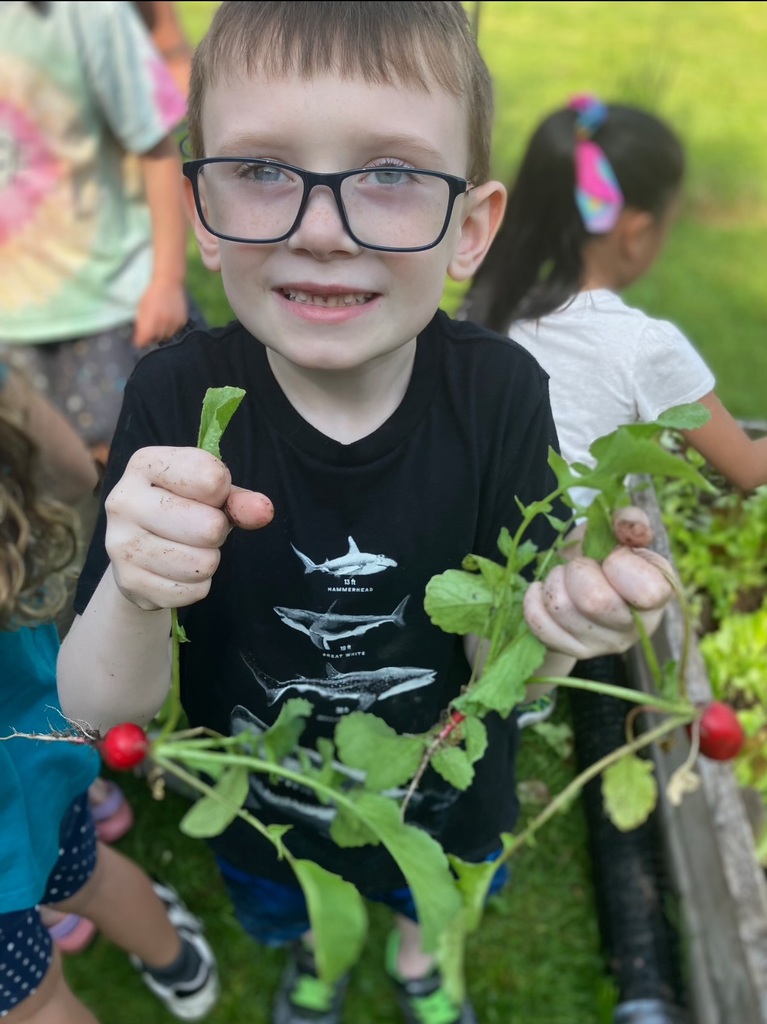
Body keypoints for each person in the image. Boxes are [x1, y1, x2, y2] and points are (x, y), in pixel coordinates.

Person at [57, 6, 676, 1024]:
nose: (319, 228)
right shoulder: (174, 403)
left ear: (471, 227)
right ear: (201, 212)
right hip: (263, 800)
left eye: (389, 174)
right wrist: (132, 583)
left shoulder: (500, 397)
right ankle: (317, 955)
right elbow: (97, 706)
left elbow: (500, 677)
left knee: (426, 898)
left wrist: (553, 628)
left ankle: (420, 961)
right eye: (260, 169)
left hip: (439, 795)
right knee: (301, 898)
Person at [462, 94, 767, 725]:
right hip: (542, 616)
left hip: (459, 566)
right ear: (635, 233)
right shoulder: (641, 347)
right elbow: (748, 467)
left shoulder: (481, 308)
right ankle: (517, 712)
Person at [0, 362, 220, 1022]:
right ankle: (180, 966)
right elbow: (69, 471)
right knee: (86, 873)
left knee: (34, 1008)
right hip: (43, 759)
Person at [0, 0, 191, 468]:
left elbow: (156, 147)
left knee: (118, 481)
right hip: (8, 324)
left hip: (103, 311)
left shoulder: (94, 15)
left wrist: (167, 280)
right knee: (34, 495)